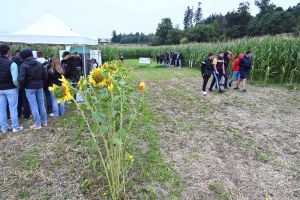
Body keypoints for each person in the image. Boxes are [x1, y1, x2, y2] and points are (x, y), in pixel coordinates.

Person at [19, 49, 48, 129]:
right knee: (41, 104)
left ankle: (37, 124)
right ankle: (44, 122)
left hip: (29, 87)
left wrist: (24, 86)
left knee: (34, 106)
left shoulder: (23, 65)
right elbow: (45, 76)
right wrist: (42, 83)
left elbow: (21, 79)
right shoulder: (39, 64)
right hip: (39, 86)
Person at [0, 44, 23, 133]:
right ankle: (15, 127)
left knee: (1, 108)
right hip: (10, 88)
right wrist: (17, 86)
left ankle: (4, 128)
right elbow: (15, 79)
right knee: (12, 108)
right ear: (8, 52)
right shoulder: (12, 64)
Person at [12, 50, 31, 119]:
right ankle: (26, 115)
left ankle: (18, 115)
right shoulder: (22, 66)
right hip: (23, 85)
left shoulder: (12, 67)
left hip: (16, 86)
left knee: (18, 101)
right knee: (25, 100)